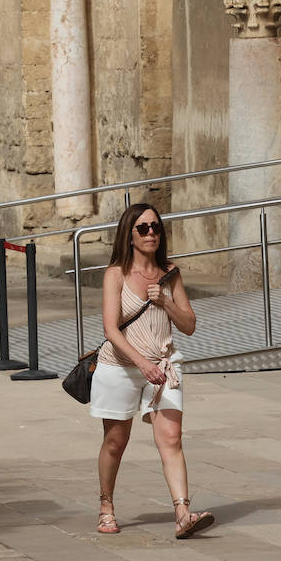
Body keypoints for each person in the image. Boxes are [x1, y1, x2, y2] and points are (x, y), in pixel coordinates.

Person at [90, 202, 215, 539]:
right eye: (143, 228)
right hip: (121, 366)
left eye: (156, 227)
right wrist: (141, 363)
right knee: (116, 441)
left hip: (164, 365)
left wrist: (165, 301)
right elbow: (111, 330)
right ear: (129, 236)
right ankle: (106, 507)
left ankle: (183, 513)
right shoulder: (115, 273)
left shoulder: (170, 272)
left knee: (171, 438)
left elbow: (189, 324)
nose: (151, 234)